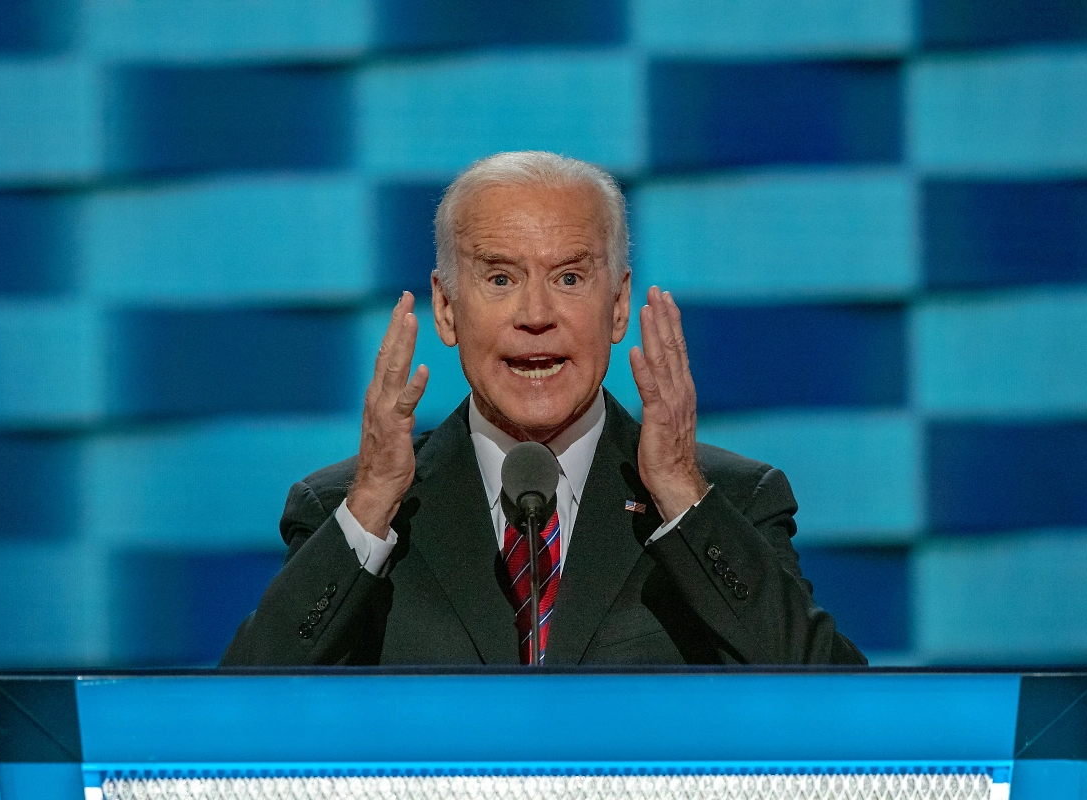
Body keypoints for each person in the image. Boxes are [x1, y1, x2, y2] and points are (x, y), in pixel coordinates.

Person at [222, 151, 865, 667]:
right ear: (446, 309)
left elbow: (840, 713)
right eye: (501, 279)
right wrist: (368, 509)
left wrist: (681, 495)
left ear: (618, 306)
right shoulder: (347, 512)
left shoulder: (734, 504)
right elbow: (236, 728)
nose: (536, 315)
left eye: (569, 278)